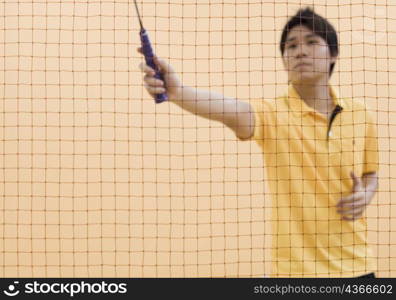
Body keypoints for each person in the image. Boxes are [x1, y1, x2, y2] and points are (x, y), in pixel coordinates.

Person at [137, 7, 379, 278]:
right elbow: (230, 109)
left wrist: (367, 193)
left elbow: (371, 172)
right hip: (297, 275)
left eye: (312, 42)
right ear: (285, 60)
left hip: (359, 268)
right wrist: (178, 92)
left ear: (333, 54)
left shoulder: (361, 115)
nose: (300, 51)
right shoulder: (272, 115)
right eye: (291, 46)